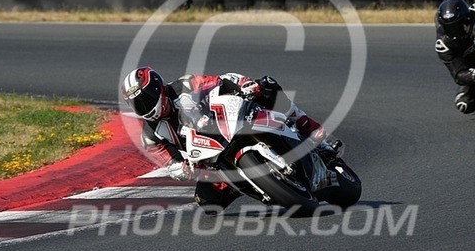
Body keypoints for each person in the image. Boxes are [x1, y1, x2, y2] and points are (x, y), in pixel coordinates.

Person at [121, 67, 330, 214]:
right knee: (206, 202)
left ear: (157, 88)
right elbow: (169, 161)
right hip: (209, 156)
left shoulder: (185, 86)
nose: (144, 106)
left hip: (229, 122)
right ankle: (253, 187)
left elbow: (221, 81)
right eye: (137, 104)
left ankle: (306, 125)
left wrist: (245, 85)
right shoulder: (151, 136)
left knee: (267, 85)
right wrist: (179, 168)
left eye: (146, 98)